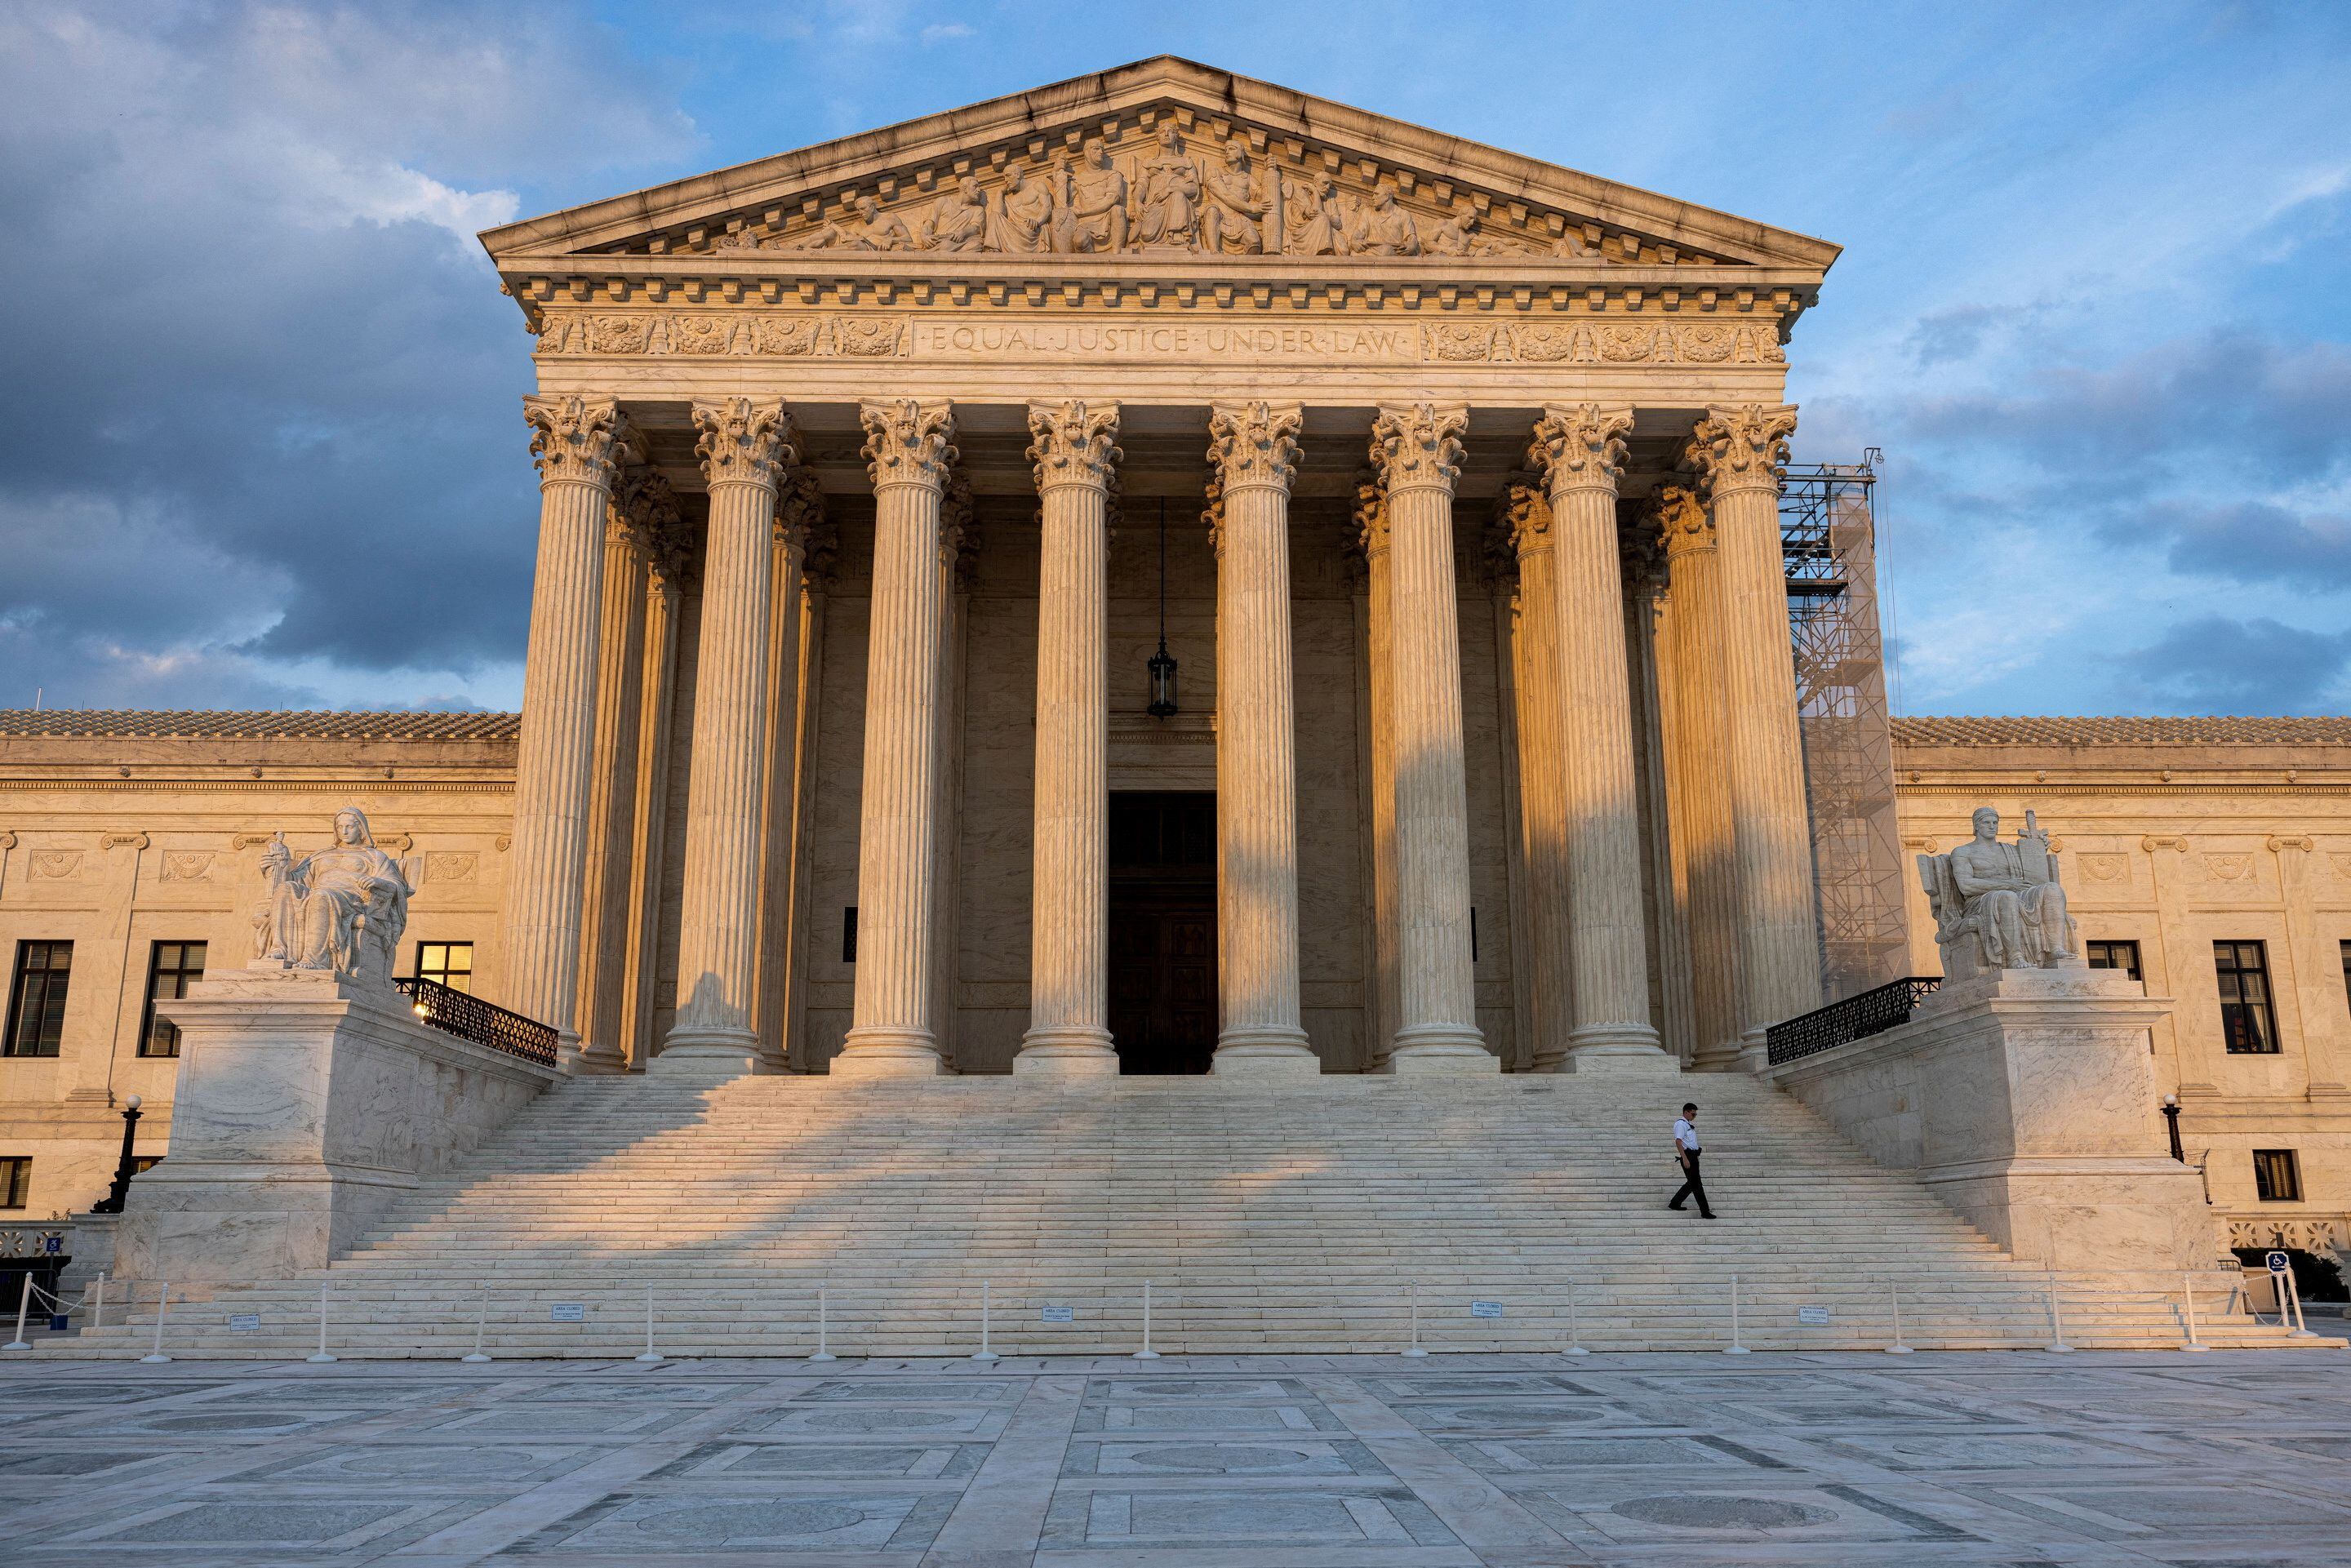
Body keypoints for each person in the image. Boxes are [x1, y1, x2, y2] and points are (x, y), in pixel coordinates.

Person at [1669, 1102, 1714, 1219]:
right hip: (1688, 1157)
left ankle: (1675, 1203)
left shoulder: (1688, 1124)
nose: (1694, 1117)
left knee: (1692, 1183)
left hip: (1693, 1157)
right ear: (1686, 1112)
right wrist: (1685, 1158)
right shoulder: (1681, 1124)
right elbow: (1678, 1142)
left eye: (1695, 1115)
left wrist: (1696, 1156)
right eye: (1693, 1114)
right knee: (1697, 1185)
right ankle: (1705, 1211)